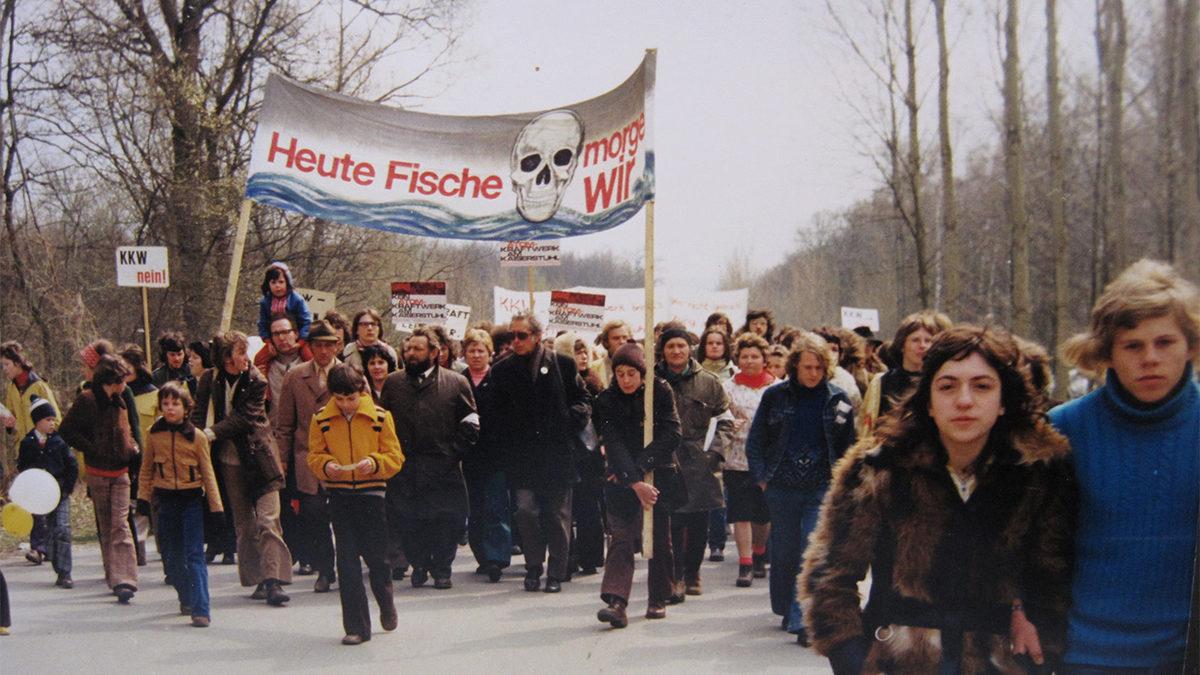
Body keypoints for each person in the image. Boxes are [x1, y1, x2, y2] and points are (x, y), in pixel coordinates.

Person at [800, 326, 1076, 672]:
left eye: (982, 385)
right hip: (901, 658)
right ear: (928, 402)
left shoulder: (1037, 472)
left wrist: (1038, 634)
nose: (964, 400)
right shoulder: (880, 467)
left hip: (997, 661)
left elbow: (1053, 574)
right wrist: (853, 659)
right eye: (947, 386)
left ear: (1003, 400)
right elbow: (829, 575)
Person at [1048, 259, 1199, 673]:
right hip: (1090, 654)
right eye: (1133, 345)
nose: (1150, 358)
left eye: (1164, 342)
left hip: (1186, 653)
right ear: (1106, 353)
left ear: (1190, 345)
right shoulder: (1064, 429)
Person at [746, 332, 856, 639]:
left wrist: (842, 485)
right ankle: (785, 606)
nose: (813, 374)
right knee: (783, 552)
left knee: (810, 549)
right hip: (781, 487)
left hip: (820, 487)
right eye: (807, 367)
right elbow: (755, 442)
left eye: (818, 368)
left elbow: (850, 446)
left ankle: (803, 618)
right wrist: (763, 478)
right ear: (795, 366)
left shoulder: (839, 400)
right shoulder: (775, 396)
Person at [488, 313, 592, 593]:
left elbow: (583, 400)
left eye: (522, 335)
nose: (516, 341)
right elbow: (493, 413)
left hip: (557, 454)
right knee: (525, 511)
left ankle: (557, 571)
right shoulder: (501, 370)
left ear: (536, 336)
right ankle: (534, 565)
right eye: (512, 336)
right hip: (522, 457)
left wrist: (568, 419)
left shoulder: (562, 364)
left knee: (557, 515)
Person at [193, 330, 293, 606]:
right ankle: (257, 578)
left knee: (268, 520)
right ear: (226, 358)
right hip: (229, 461)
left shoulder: (256, 381)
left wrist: (209, 433)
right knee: (245, 524)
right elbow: (198, 415)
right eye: (239, 352)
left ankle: (275, 581)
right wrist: (193, 438)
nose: (245, 358)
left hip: (261, 458)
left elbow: (244, 419)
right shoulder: (207, 380)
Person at [307, 363, 405, 646]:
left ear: (361, 392)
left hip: (372, 496)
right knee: (347, 563)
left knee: (377, 559)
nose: (346, 405)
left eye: (351, 399)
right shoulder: (322, 420)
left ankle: (386, 602)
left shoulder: (379, 417)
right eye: (340, 399)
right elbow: (314, 455)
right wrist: (327, 466)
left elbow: (395, 456)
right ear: (332, 396)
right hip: (339, 497)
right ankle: (357, 627)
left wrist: (375, 462)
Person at [380, 327, 478, 590]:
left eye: (418, 349)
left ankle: (443, 567)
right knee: (408, 519)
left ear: (434, 353)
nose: (411, 354)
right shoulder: (393, 383)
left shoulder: (456, 382)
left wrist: (454, 452)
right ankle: (420, 564)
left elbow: (471, 422)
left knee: (446, 519)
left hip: (443, 466)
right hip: (405, 467)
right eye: (408, 349)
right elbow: (382, 423)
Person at [594, 343, 683, 626]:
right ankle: (617, 601)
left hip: (657, 472)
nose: (626, 380)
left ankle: (658, 597)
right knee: (621, 537)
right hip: (621, 476)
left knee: (657, 537)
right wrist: (633, 480)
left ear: (642, 373)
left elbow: (672, 432)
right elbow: (612, 440)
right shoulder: (607, 399)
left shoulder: (660, 391)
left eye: (631, 373)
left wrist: (644, 467)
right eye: (620, 374)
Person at [655, 324, 733, 600]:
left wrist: (714, 453)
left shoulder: (709, 382)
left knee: (699, 520)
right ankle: (675, 576)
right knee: (672, 521)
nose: (676, 351)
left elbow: (725, 421)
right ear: (662, 351)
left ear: (690, 348)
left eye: (681, 345)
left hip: (700, 461)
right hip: (665, 459)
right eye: (670, 346)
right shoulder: (652, 381)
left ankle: (693, 572)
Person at [137, 383, 223, 627]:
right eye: (165, 404)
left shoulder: (196, 437)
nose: (170, 408)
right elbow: (146, 470)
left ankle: (201, 609)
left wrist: (217, 509)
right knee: (172, 558)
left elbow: (208, 474)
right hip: (165, 501)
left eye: (175, 404)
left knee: (195, 555)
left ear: (186, 408)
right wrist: (143, 499)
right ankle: (186, 595)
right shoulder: (154, 433)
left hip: (191, 500)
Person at [58, 355, 140, 603]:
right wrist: (91, 448)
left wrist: (133, 449)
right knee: (107, 526)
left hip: (121, 471)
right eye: (122, 380)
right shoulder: (87, 400)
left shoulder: (122, 399)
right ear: (111, 379)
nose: (125, 384)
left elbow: (128, 430)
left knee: (121, 524)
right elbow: (66, 431)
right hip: (98, 472)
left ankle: (126, 578)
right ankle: (114, 576)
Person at [273, 320, 340, 594]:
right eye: (318, 346)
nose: (323, 352)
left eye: (329, 345)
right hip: (307, 457)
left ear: (336, 346)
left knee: (344, 514)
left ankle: (345, 566)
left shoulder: (348, 373)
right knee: (313, 513)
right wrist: (283, 460)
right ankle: (325, 569)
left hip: (343, 456)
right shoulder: (295, 376)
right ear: (309, 347)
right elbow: (285, 424)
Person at [720, 333, 776, 587]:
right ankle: (745, 564)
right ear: (737, 358)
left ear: (764, 359)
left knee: (762, 514)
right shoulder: (727, 387)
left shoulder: (777, 387)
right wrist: (729, 423)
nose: (750, 361)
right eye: (745, 356)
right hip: (736, 458)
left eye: (755, 356)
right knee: (741, 511)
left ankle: (760, 551)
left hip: (765, 459)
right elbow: (718, 418)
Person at [460, 328, 512, 582]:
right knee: (475, 508)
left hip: (496, 454)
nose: (476, 355)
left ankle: (496, 558)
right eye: (472, 351)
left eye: (481, 350)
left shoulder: (499, 378)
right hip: (469, 456)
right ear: (465, 353)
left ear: (489, 353)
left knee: (496, 507)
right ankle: (481, 555)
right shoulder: (459, 380)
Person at [556, 332, 605, 577]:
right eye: (576, 351)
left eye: (585, 350)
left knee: (589, 506)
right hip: (565, 451)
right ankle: (567, 557)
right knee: (564, 509)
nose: (583, 356)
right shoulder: (557, 380)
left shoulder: (595, 381)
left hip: (590, 452)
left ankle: (590, 555)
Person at [17, 395, 77, 588]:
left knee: (62, 529)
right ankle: (54, 559)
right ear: (37, 422)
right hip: (39, 496)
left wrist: (67, 488)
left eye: (53, 419)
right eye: (48, 420)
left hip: (59, 493)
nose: (52, 423)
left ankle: (65, 572)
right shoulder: (27, 444)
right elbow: (23, 468)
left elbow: (72, 466)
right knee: (49, 531)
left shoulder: (60, 442)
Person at [860, 311, 950, 437]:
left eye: (928, 340)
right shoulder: (881, 383)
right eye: (915, 340)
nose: (922, 346)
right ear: (902, 345)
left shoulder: (939, 383)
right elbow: (866, 428)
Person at [1, 341, 60, 482]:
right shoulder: (12, 388)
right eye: (1, 365)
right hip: (23, 451)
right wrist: (9, 425)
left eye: (6, 364)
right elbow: (13, 418)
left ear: (18, 362)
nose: (3, 369)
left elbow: (56, 420)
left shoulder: (39, 386)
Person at [257, 262, 311, 342]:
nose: (277, 286)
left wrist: (301, 341)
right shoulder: (265, 302)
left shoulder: (297, 300)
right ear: (268, 284)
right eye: (273, 282)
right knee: (261, 355)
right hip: (274, 340)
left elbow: (306, 322)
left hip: (296, 339)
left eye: (281, 282)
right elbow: (262, 323)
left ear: (287, 282)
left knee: (308, 354)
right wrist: (267, 340)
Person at [597, 319, 634, 386]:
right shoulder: (595, 368)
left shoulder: (641, 367)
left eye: (625, 337)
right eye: (616, 338)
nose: (622, 342)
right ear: (606, 342)